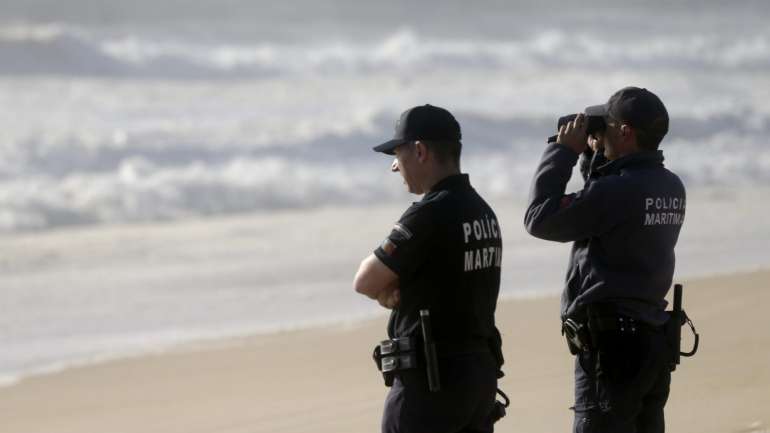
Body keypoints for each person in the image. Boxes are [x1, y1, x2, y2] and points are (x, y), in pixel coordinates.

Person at [524, 87, 686, 433]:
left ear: (625, 132)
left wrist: (562, 153)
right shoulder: (670, 186)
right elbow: (601, 208)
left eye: (607, 126)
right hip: (651, 342)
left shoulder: (618, 191)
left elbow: (540, 218)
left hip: (612, 352)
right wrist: (593, 156)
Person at [354, 104, 505, 433]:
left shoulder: (428, 214)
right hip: (478, 378)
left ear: (419, 151)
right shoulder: (483, 212)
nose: (395, 167)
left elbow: (365, 280)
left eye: (398, 153)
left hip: (432, 384)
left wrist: (389, 294)